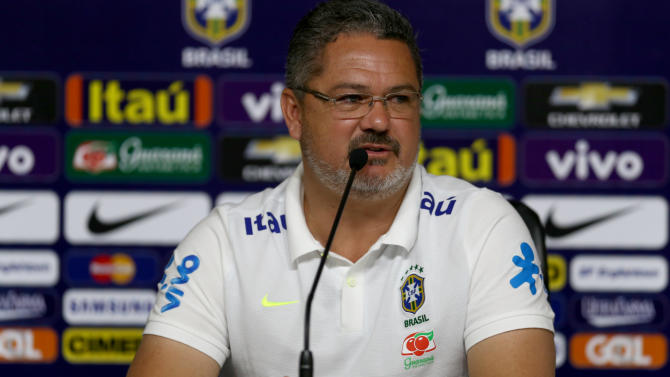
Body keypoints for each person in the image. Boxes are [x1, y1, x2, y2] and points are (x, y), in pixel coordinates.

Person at [127, 0, 555, 376]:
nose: (379, 121)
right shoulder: (225, 242)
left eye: (400, 99)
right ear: (294, 113)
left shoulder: (482, 226)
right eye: (351, 98)